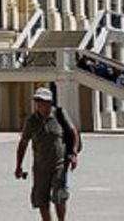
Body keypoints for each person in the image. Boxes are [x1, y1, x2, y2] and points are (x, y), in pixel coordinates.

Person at [15, 87, 80, 221]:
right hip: (40, 167)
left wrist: (73, 153)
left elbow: (73, 133)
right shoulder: (32, 120)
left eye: (43, 101)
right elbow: (23, 143)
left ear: (50, 102)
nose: (40, 104)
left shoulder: (59, 115)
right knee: (41, 200)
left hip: (59, 165)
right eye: (37, 101)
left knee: (59, 196)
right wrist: (18, 166)